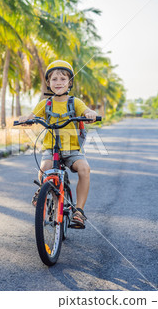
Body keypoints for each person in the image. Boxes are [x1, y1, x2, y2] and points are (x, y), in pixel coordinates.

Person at [18, 60, 97, 229]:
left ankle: (79, 211)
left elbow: (86, 111)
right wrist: (26, 119)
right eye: (54, 79)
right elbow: (32, 115)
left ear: (69, 82)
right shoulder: (45, 104)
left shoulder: (75, 102)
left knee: (84, 169)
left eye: (63, 78)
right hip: (50, 148)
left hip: (72, 149)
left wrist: (90, 113)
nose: (58, 82)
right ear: (48, 83)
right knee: (44, 169)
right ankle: (43, 189)